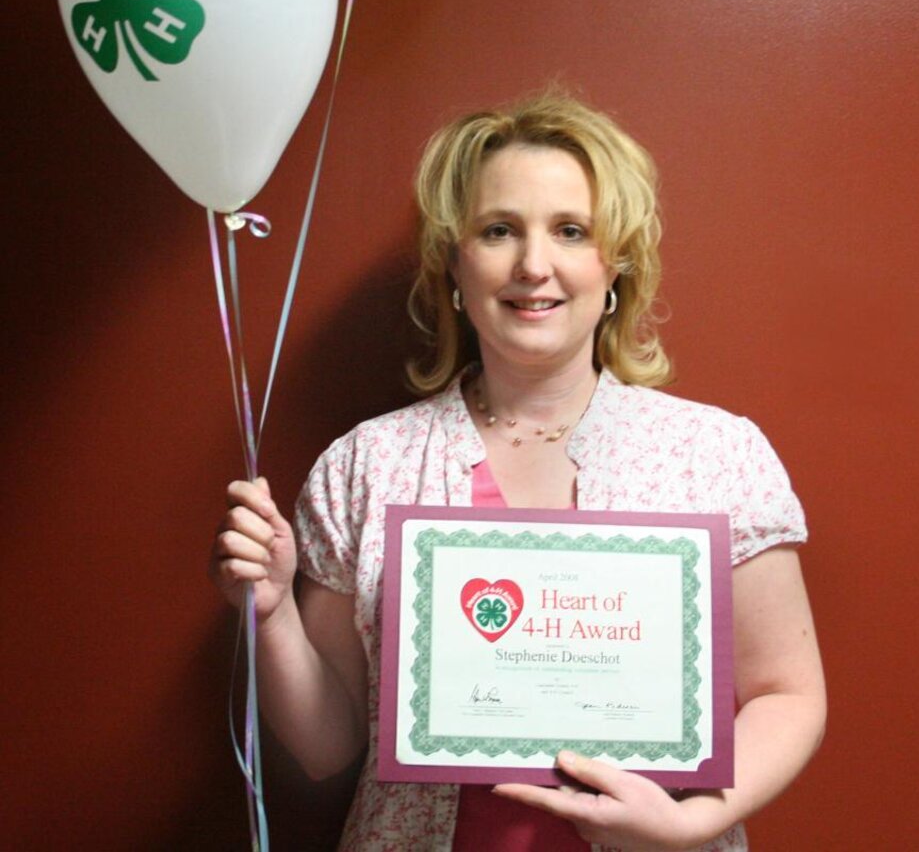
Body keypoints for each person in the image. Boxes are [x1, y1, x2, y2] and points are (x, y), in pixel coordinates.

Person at [210, 91, 826, 851]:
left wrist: (689, 822)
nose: (535, 265)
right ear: (455, 261)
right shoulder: (366, 464)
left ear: (616, 263)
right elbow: (329, 742)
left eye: (571, 231)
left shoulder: (716, 454)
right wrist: (271, 615)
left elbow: (787, 693)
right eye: (499, 229)